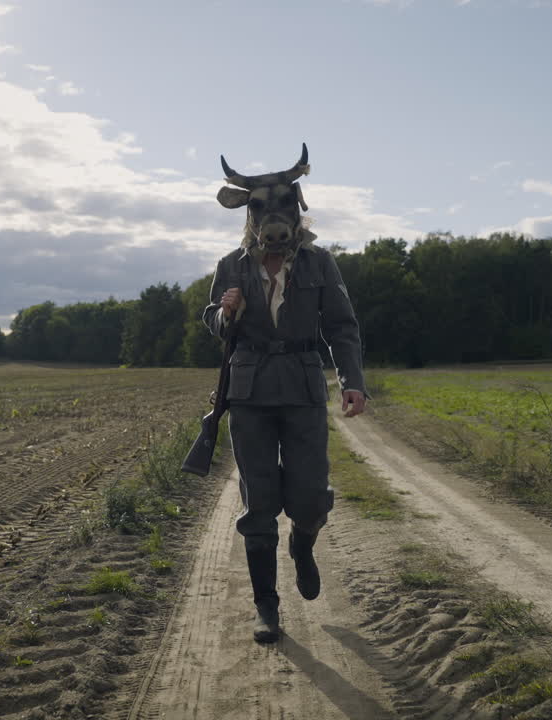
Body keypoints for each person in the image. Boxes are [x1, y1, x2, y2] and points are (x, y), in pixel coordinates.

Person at [202, 144, 367, 643]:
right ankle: (267, 608)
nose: (274, 217)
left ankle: (303, 544)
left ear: (297, 208)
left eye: (283, 205)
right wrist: (225, 312)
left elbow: (342, 326)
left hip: (301, 388)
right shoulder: (231, 265)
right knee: (258, 505)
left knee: (311, 497)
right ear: (248, 213)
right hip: (249, 393)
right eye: (260, 207)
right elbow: (211, 319)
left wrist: (352, 380)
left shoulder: (319, 264)